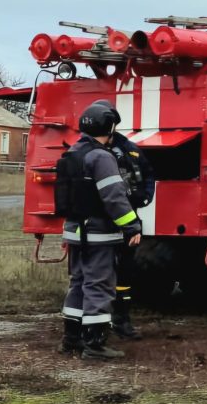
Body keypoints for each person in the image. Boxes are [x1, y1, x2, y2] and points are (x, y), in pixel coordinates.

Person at [58, 102, 142, 359]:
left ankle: (71, 339)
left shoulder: (74, 152)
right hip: (97, 234)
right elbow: (114, 197)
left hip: (75, 232)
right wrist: (131, 226)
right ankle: (94, 344)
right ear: (110, 127)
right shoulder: (102, 157)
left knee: (79, 284)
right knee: (99, 285)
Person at [90, 99, 156, 340]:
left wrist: (146, 197)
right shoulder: (92, 153)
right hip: (100, 223)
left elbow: (147, 172)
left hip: (128, 220)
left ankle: (122, 320)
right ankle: (95, 326)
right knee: (98, 274)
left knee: (125, 273)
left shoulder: (129, 148)